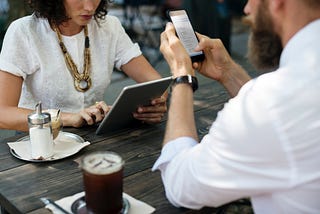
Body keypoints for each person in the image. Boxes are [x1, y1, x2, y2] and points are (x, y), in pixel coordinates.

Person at [152, 0, 320, 213]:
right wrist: (228, 72)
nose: (247, 8)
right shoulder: (286, 97)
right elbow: (278, 126)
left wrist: (182, 75)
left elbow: (181, 184)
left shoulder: (273, 102)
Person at [0, 0, 167, 132]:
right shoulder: (24, 32)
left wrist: (155, 104)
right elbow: (3, 114)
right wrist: (68, 118)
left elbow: (156, 83)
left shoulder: (109, 26)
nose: (89, 7)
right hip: (38, 143)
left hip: (93, 137)